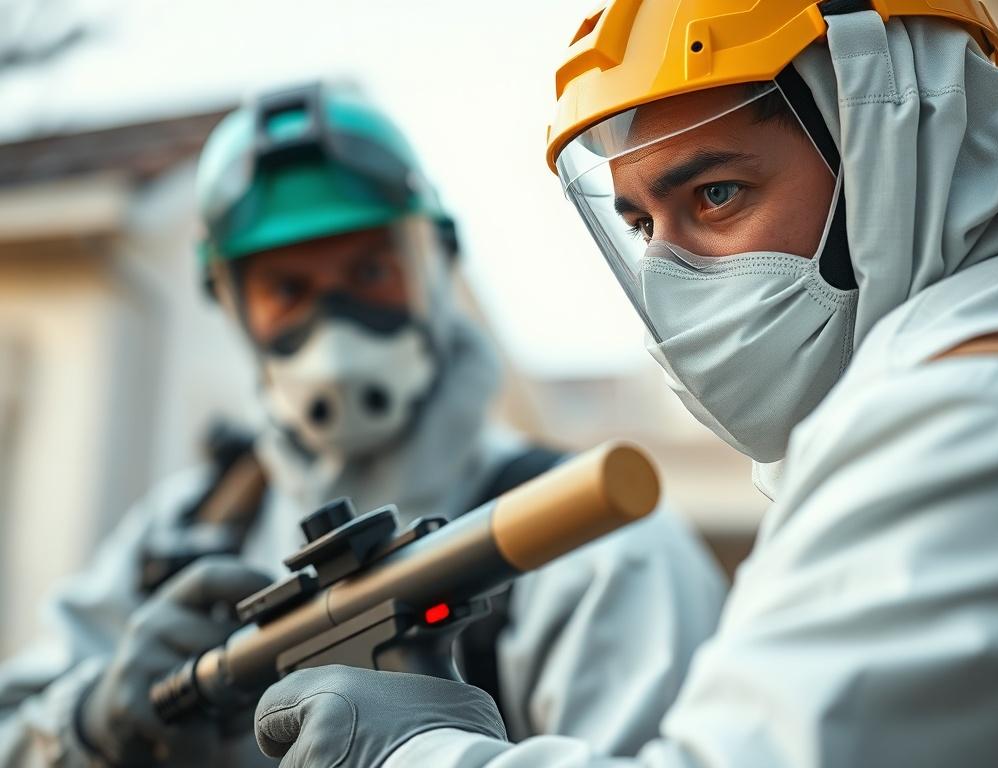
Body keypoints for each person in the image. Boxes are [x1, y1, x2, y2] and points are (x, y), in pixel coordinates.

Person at [246, 3, 998, 767]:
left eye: (716, 193)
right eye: (642, 228)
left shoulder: (966, 410)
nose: (665, 280)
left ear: (889, 133)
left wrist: (412, 754)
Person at [0, 82, 727, 766]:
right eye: (287, 287)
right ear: (232, 308)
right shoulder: (174, 542)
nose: (336, 326)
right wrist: (83, 727)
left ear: (437, 268)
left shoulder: (584, 544)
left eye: (371, 272)